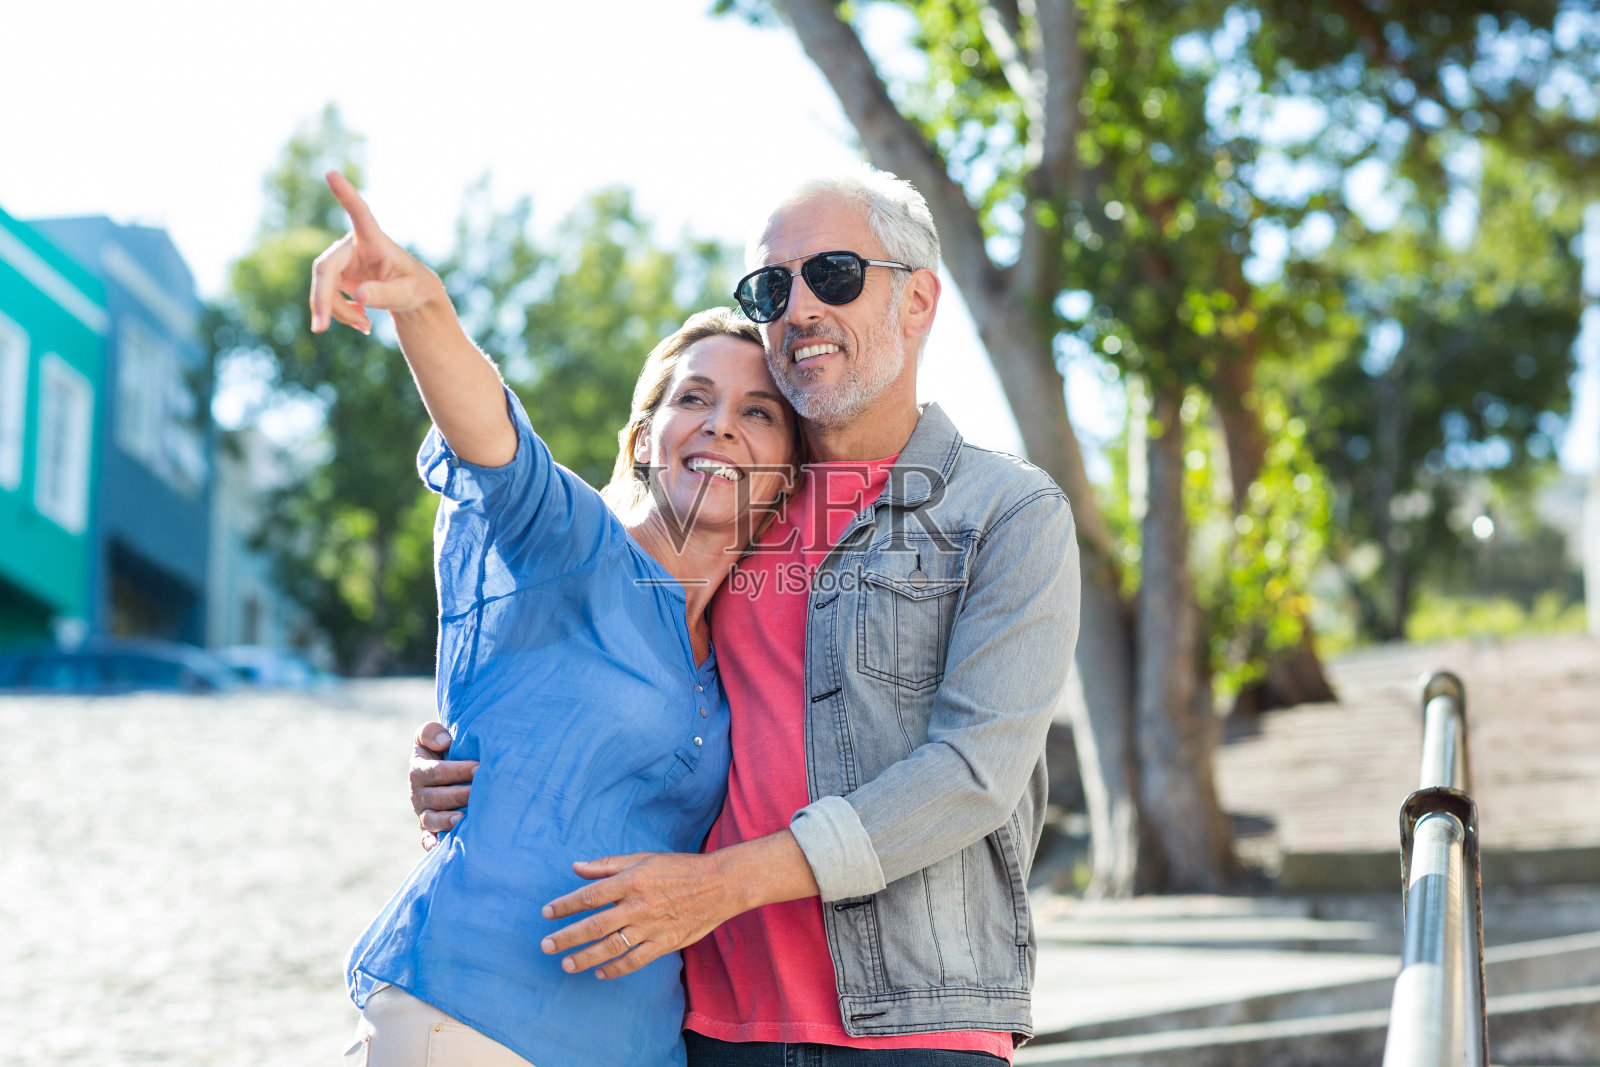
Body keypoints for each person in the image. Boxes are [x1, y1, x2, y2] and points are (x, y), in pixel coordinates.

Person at [412, 168, 1082, 1065]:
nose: (798, 305)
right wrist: (479, 760)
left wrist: (720, 886)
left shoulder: (1005, 511)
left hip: (919, 1025)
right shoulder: (733, 513)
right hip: (709, 1022)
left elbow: (973, 772)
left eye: (834, 274)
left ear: (918, 298)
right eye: (772, 287)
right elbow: (602, 680)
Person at [309, 172, 801, 1067]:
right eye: (693, 398)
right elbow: (493, 439)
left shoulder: (737, 652)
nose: (721, 424)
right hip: (468, 1016)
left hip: (637, 1045)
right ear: (644, 437)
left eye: (757, 412)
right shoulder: (573, 545)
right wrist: (421, 304)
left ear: (787, 473)